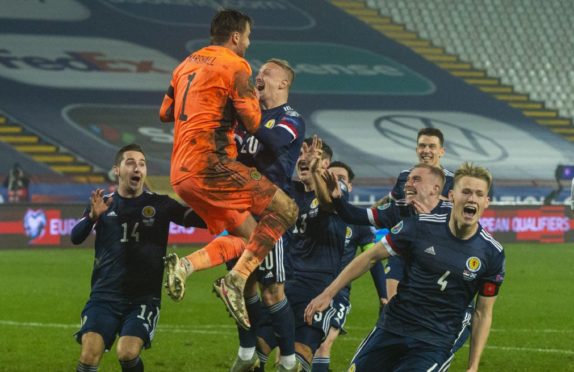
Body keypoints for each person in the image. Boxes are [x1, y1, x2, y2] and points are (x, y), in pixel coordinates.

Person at [159, 9, 298, 331]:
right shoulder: (236, 65)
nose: (248, 43)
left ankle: (186, 265)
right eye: (247, 37)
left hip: (180, 174)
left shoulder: (185, 64)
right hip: (212, 164)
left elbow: (165, 112)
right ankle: (235, 280)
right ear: (236, 36)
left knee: (252, 239)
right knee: (286, 210)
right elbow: (252, 122)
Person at [305, 162, 505, 372]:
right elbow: (369, 258)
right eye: (466, 191)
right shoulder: (418, 225)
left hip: (434, 342)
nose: (472, 198)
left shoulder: (492, 253)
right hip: (392, 328)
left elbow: (482, 313)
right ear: (453, 196)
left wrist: (473, 367)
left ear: (486, 201)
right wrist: (328, 293)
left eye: (478, 194)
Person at [71, 144, 206, 372]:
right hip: (104, 295)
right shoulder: (104, 203)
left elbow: (195, 219)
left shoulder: (160, 204)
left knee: (127, 352)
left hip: (143, 298)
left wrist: (222, 209)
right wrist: (92, 217)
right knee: (88, 355)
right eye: (131, 162)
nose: (138, 168)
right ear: (117, 170)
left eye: (142, 164)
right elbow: (76, 237)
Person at [230, 58, 304, 372]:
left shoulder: (290, 118)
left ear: (283, 84)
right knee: (241, 286)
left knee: (272, 291)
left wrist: (248, 117)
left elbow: (274, 141)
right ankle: (248, 352)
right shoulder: (243, 118)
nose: (259, 76)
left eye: (267, 74)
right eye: (258, 73)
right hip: (238, 211)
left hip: (268, 213)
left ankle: (287, 361)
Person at [311, 161, 384, 372]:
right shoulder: (313, 214)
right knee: (296, 347)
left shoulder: (358, 220)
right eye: (330, 177)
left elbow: (372, 257)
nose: (336, 181)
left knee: (323, 343)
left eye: (341, 178)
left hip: (338, 292)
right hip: (307, 285)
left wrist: (383, 294)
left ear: (350, 186)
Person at [388, 127, 453, 201]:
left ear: (442, 152)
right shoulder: (404, 176)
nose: (426, 150)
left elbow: (461, 209)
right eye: (422, 146)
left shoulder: (453, 181)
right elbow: (390, 201)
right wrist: (372, 211)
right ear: (417, 150)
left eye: (432, 146)